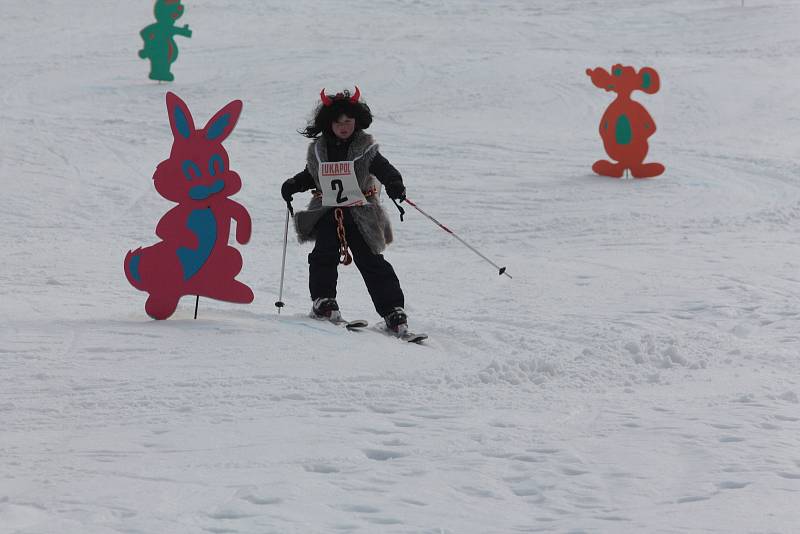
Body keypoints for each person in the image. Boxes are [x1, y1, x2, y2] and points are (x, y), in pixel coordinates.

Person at [281, 87, 410, 333]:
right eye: (338, 122)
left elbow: (384, 168)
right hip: (329, 214)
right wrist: (293, 184)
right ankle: (323, 301)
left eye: (348, 122)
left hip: (361, 214)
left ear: (356, 122)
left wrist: (394, 183)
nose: (343, 127)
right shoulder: (319, 150)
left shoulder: (365, 148)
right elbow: (312, 174)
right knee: (323, 256)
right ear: (328, 124)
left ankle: (393, 311)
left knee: (371, 260)